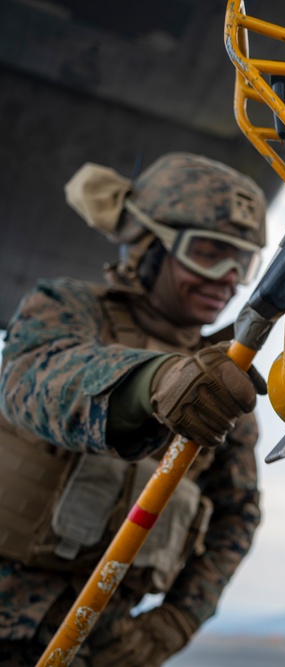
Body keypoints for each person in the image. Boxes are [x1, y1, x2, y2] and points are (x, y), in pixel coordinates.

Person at [0, 153, 266, 666]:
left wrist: (175, 623)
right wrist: (158, 383)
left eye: (243, 263)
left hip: (101, 645)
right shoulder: (66, 308)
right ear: (149, 245)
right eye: (208, 253)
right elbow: (35, 379)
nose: (227, 279)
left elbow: (237, 514)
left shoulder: (226, 384)